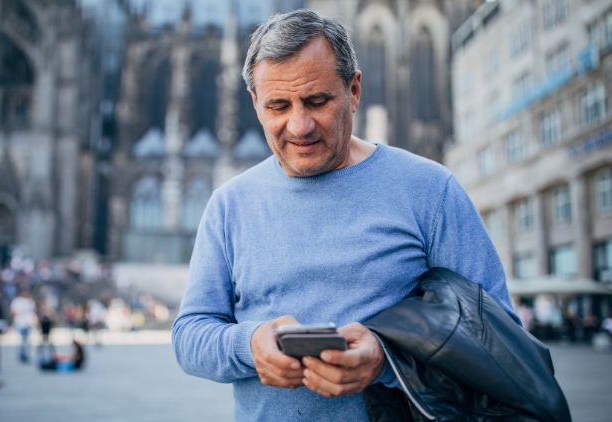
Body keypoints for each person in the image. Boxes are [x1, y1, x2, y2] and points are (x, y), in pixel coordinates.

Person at [172, 9, 518, 421]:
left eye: (317, 101)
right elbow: (190, 335)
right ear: (255, 103)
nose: (299, 125)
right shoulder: (228, 205)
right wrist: (249, 345)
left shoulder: (431, 191)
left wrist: (390, 362)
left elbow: (500, 338)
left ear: (354, 90)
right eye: (278, 106)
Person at [10, 289, 36, 363]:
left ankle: (25, 354)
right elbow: (13, 312)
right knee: (21, 340)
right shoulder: (17, 301)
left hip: (28, 323)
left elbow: (32, 312)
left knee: (26, 340)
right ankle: (21, 355)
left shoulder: (30, 301)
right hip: (20, 323)